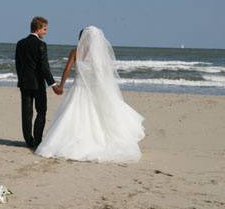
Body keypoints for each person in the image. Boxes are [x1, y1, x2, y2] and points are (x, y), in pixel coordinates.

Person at [35, 26, 145, 162]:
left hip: (79, 89)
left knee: (72, 115)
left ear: (81, 38)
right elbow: (102, 74)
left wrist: (61, 86)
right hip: (93, 89)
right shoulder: (97, 55)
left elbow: (67, 69)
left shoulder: (75, 51)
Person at [15, 16, 62, 149]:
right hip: (37, 84)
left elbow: (18, 65)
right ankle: (37, 140)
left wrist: (21, 80)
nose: (46, 32)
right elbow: (44, 67)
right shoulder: (41, 45)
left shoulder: (20, 43)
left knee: (26, 112)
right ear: (38, 28)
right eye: (45, 29)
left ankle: (28, 140)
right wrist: (53, 84)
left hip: (24, 83)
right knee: (41, 111)